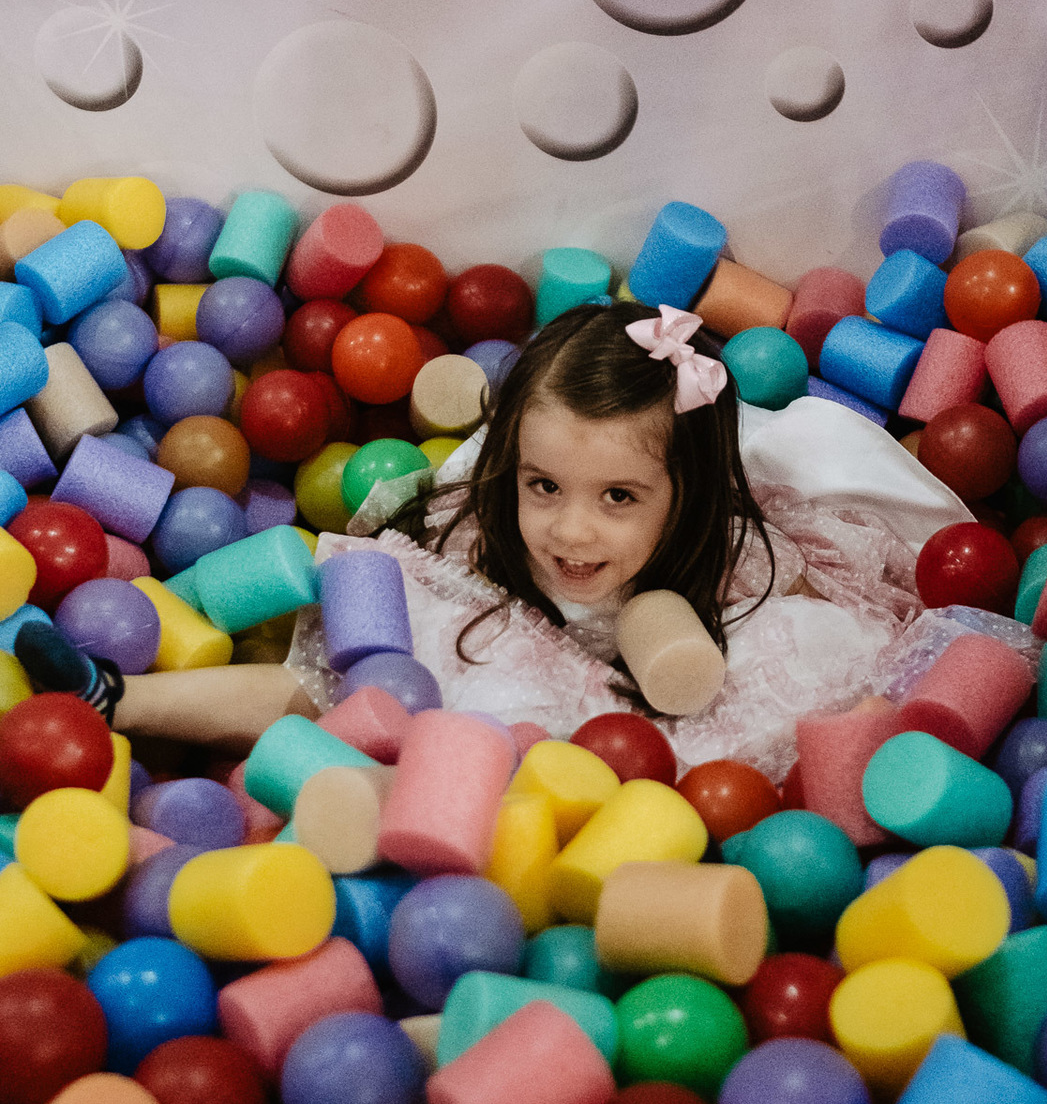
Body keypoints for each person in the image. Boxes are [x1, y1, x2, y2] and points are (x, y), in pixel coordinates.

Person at [322, 300, 974, 776]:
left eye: (618, 497)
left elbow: (844, 641)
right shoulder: (475, 544)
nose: (571, 530)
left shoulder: (739, 560)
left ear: (687, 496)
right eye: (544, 485)